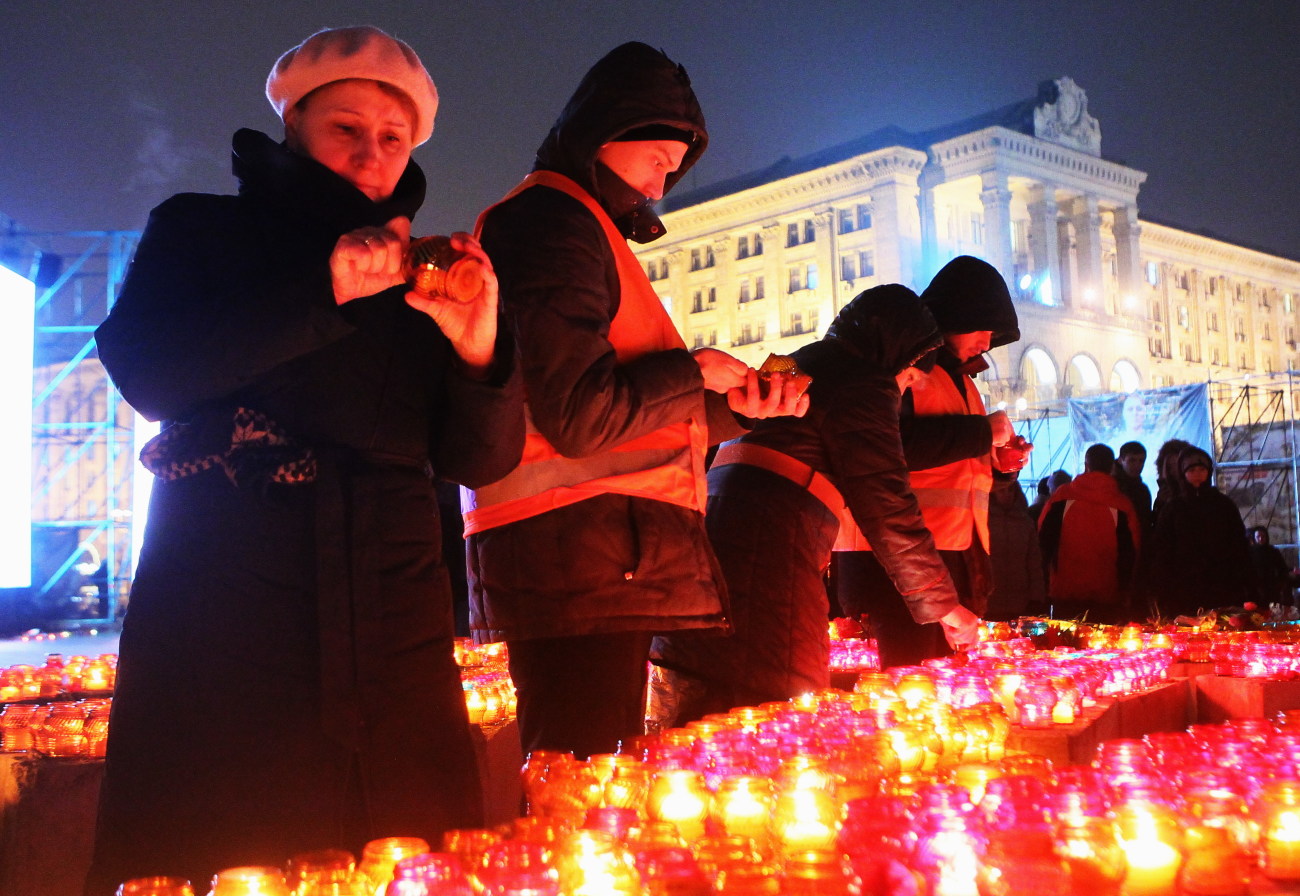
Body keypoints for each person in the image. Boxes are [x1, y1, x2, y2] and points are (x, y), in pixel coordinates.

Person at [85, 27, 525, 892]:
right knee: (227, 838)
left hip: (395, 624)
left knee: (407, 847)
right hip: (230, 612)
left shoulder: (425, 278)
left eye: (392, 138)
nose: (371, 153)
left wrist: (481, 352)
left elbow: (482, 457)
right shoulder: (200, 229)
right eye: (345, 129)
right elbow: (150, 372)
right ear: (293, 126)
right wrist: (321, 290)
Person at [464, 42, 806, 760]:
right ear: (608, 131)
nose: (665, 181)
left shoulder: (578, 227)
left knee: (588, 775)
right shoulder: (554, 224)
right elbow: (582, 418)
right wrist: (693, 369)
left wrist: (739, 409)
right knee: (580, 781)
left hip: (589, 561)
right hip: (577, 561)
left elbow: (629, 420)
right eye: (660, 157)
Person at [649, 286, 979, 722]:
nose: (907, 389)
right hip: (770, 546)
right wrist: (944, 604)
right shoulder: (866, 381)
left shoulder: (796, 359)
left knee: (702, 690)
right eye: (910, 376)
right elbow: (887, 504)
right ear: (895, 355)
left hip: (712, 527)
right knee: (782, 703)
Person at [834, 255, 1026, 670]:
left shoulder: (965, 385)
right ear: (957, 315)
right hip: (898, 563)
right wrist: (981, 433)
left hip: (952, 554)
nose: (989, 341)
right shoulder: (905, 371)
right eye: (984, 326)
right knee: (910, 682)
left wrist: (1001, 467)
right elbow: (887, 448)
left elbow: (960, 475)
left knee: (939, 684)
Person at [1037, 444, 1141, 624]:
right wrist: (1126, 591)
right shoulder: (1122, 504)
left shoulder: (1062, 496)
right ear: (1112, 467)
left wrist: (1045, 583)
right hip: (1107, 593)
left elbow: (1043, 540)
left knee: (1066, 647)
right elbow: (1131, 551)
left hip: (1064, 590)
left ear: (1086, 465)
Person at [1148, 447, 1255, 618]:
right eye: (1191, 470)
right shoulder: (1174, 508)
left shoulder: (1223, 505)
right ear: (1183, 473)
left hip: (1221, 583)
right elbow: (1163, 549)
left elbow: (1238, 544)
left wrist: (1243, 581)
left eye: (1201, 469)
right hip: (1183, 586)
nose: (1197, 474)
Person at [986, 470, 1047, 620]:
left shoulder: (1024, 522)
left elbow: (1033, 561)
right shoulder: (983, 521)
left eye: (1010, 490)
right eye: (1002, 490)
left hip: (1019, 601)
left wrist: (1036, 597)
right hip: (989, 601)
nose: (1006, 495)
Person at [1113, 440, 1154, 534]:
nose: (1137, 465)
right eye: (1132, 460)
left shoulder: (1143, 490)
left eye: (1141, 461)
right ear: (1120, 460)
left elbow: (1145, 523)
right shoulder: (1110, 486)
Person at [1247, 526, 1294, 607]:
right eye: (1258, 536)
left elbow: (1282, 567)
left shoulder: (1273, 551)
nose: (1261, 539)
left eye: (1263, 536)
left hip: (1271, 585)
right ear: (1254, 538)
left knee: (1273, 608)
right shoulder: (1250, 553)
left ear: (1266, 537)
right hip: (1255, 586)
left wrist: (1281, 582)